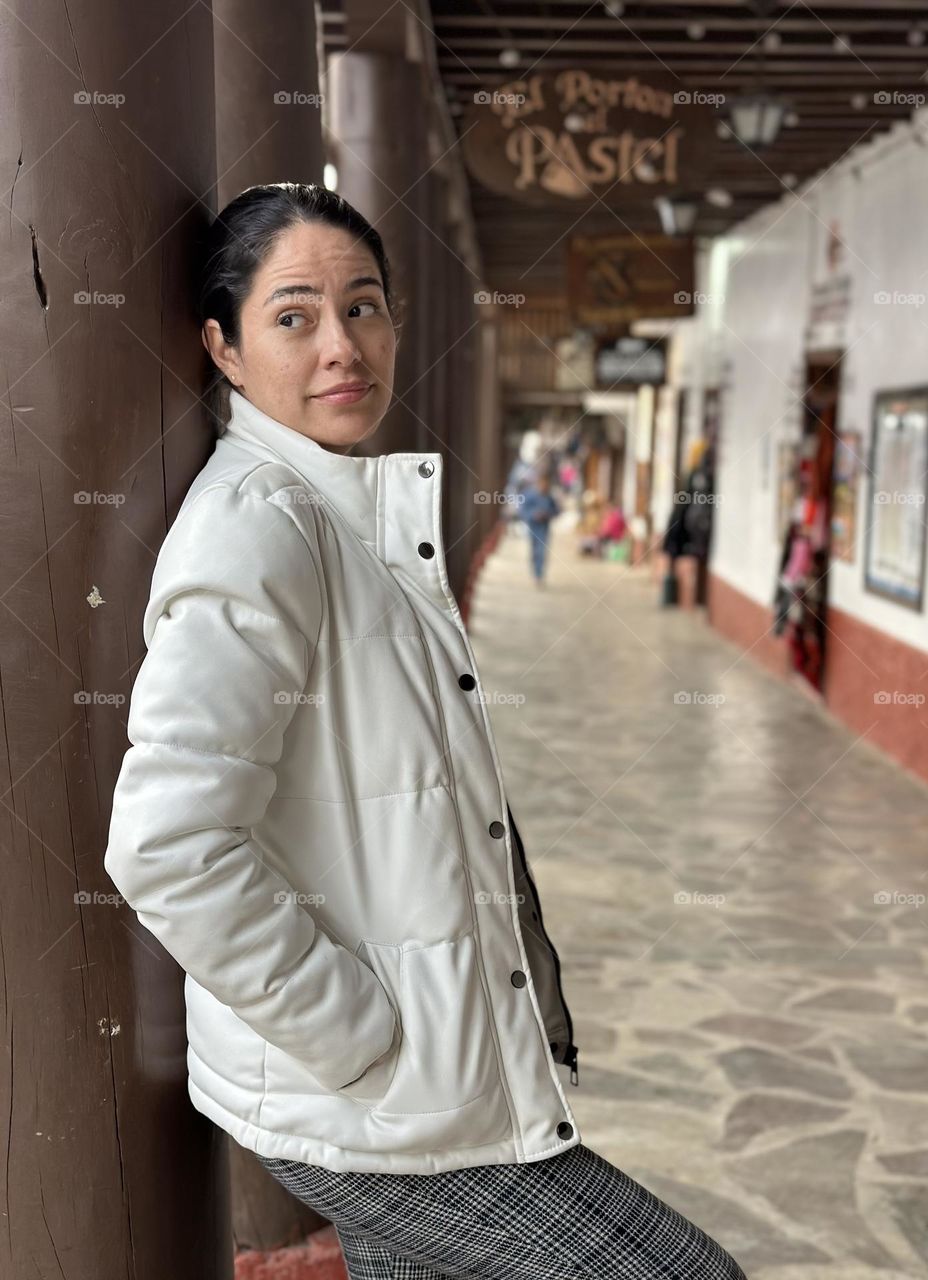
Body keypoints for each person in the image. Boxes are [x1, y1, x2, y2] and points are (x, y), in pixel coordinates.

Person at [102, 183, 747, 1280]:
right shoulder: (260, 530)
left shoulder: (339, 516)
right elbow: (167, 842)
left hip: (403, 1082)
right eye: (294, 316)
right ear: (223, 345)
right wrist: (356, 1028)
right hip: (383, 1101)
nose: (342, 345)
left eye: (365, 306)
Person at [518, 470, 560, 587]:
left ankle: (539, 574)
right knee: (534, 551)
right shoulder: (529, 495)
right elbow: (522, 511)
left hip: (544, 528)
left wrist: (547, 514)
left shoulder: (549, 496)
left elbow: (557, 511)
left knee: (542, 551)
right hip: (532, 527)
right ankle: (535, 571)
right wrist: (533, 515)